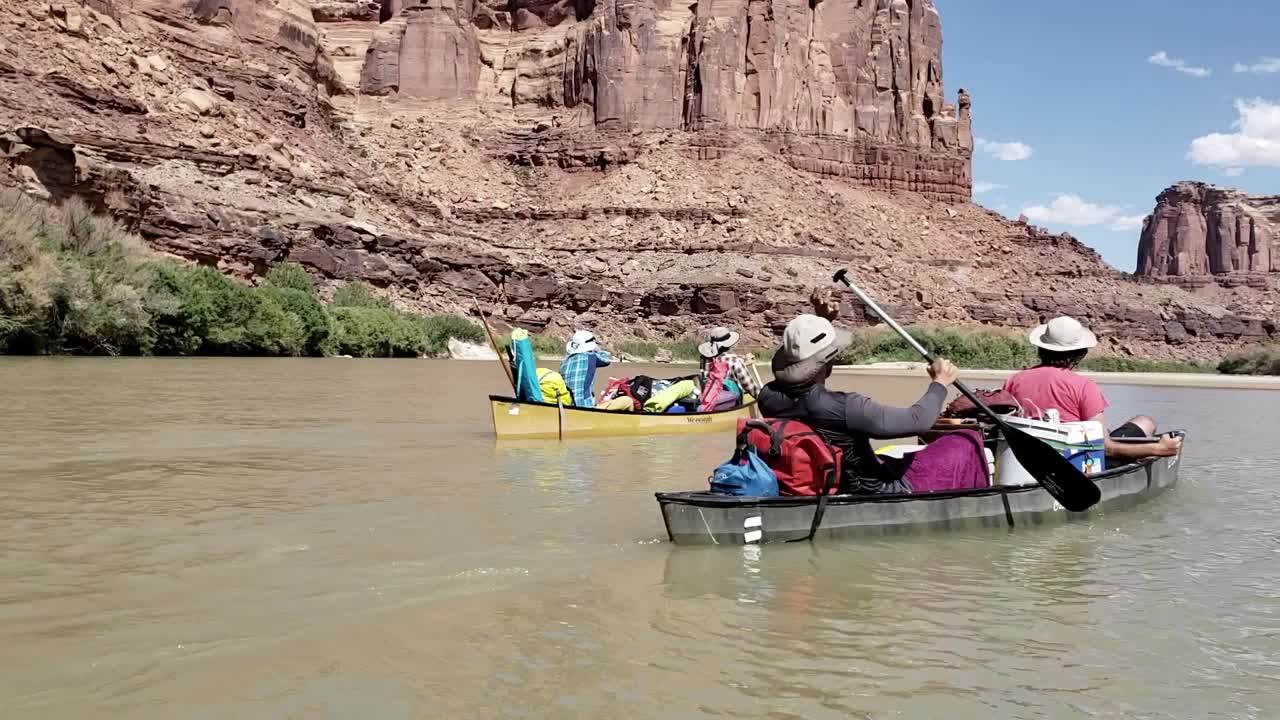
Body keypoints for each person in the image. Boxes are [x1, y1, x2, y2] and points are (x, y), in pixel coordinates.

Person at [757, 294, 989, 495]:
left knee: (894, 457)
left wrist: (822, 321)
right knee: (966, 440)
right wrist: (940, 383)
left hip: (827, 481)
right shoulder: (846, 408)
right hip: (878, 489)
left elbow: (805, 362)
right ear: (827, 361)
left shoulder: (768, 397)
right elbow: (918, 420)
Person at [1001, 316, 1182, 460]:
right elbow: (1105, 448)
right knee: (1146, 422)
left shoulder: (1013, 381)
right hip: (1072, 462)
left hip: (1024, 457)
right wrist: (1158, 448)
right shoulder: (1084, 386)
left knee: (1127, 426)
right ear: (1080, 353)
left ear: (1041, 349)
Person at [698, 326, 763, 399]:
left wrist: (744, 361)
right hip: (729, 401)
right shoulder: (735, 361)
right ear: (728, 344)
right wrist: (764, 398)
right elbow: (751, 388)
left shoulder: (704, 358)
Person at [559, 330, 611, 408]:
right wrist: (598, 350)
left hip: (567, 404)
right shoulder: (591, 356)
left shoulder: (564, 361)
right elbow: (606, 360)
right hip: (585, 405)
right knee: (626, 401)